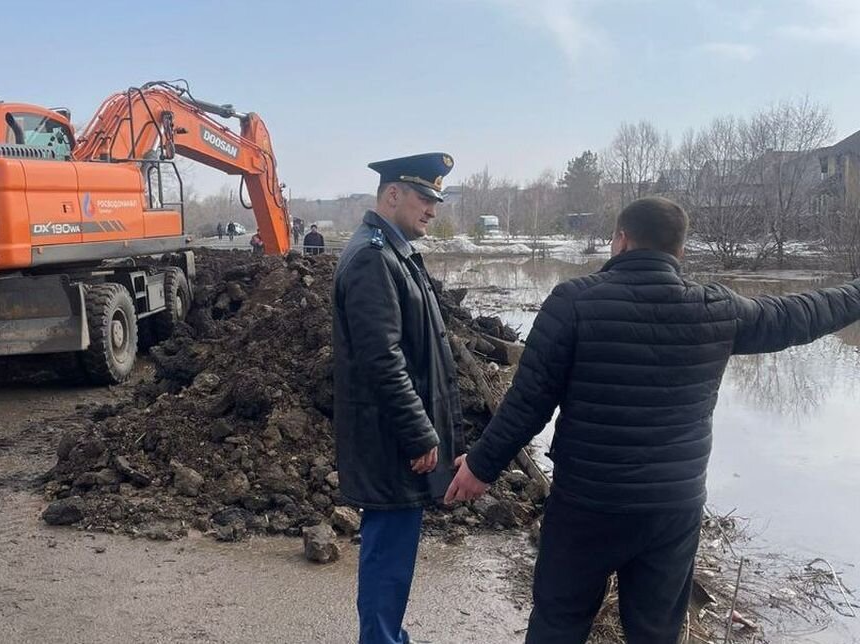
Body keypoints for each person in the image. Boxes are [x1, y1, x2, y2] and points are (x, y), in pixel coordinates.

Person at [445, 196, 860, 644]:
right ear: (679, 251)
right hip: (672, 507)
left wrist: (481, 467)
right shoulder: (717, 308)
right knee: (656, 632)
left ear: (620, 240)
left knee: (559, 623)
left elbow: (528, 403)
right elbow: (802, 313)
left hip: (587, 502)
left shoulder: (573, 303)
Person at [334, 152, 462, 644]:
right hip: (391, 440)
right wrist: (419, 432)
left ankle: (388, 637)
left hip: (395, 437)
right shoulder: (372, 258)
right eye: (425, 198)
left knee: (394, 553)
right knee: (388, 555)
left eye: (436, 199)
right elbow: (382, 359)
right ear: (393, 195)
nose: (433, 209)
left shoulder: (395, 252)